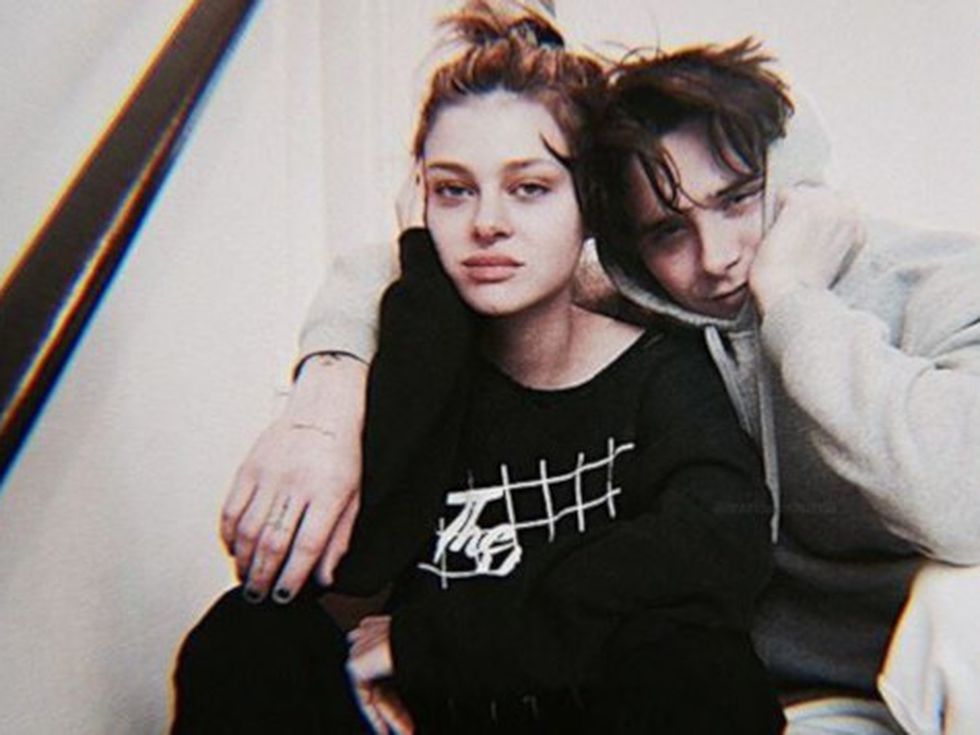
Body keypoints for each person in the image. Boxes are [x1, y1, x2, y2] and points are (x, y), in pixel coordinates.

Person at [175, 4, 784, 733]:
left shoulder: (660, 371)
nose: (487, 223)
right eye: (454, 190)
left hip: (586, 712)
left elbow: (717, 547)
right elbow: (363, 562)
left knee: (698, 667)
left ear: (590, 204)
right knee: (243, 640)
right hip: (425, 720)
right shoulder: (415, 356)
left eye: (529, 188)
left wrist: (437, 643)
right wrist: (426, 295)